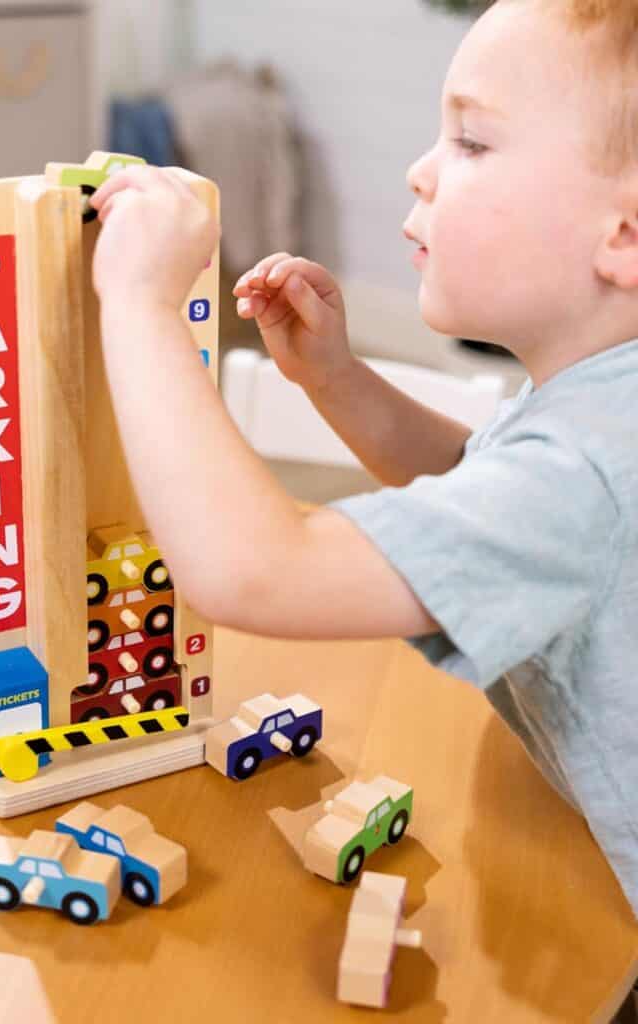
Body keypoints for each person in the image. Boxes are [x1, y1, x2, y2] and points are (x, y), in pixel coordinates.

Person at [87, 0, 638, 939]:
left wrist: (140, 304)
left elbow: (255, 571)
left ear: (623, 236)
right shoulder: (595, 411)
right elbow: (482, 485)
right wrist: (337, 380)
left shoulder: (592, 467)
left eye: (470, 142)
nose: (421, 169)